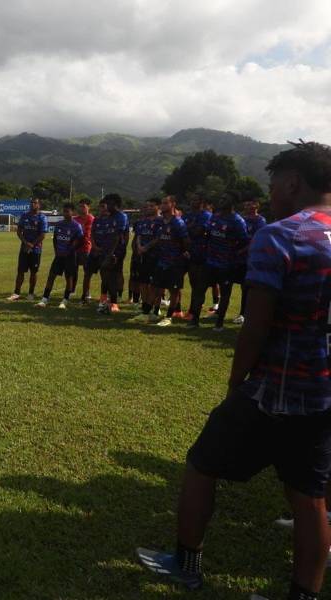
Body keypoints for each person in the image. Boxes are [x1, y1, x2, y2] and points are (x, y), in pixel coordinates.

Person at [138, 140, 331, 599]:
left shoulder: (282, 234)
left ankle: (186, 564)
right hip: (326, 393)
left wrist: (236, 382)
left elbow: (256, 325)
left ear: (292, 182)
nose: (270, 196)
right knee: (310, 497)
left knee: (202, 465)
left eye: (272, 186)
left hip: (279, 387)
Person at [186, 191, 249, 331]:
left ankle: (219, 323)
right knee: (199, 289)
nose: (221, 201)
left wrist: (234, 253)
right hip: (209, 262)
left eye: (224, 198)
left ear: (232, 202)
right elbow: (206, 233)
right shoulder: (215, 216)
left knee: (225, 293)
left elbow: (245, 242)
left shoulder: (237, 221)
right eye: (221, 198)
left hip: (226, 265)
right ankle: (194, 320)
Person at [147, 195, 189, 327]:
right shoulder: (160, 222)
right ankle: (148, 313)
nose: (162, 206)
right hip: (161, 261)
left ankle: (169, 316)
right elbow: (158, 239)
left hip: (175, 262)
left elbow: (186, 242)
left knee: (174, 290)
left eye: (166, 203)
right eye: (162, 204)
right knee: (155, 287)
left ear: (173, 205)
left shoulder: (178, 223)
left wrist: (183, 254)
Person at [35, 203, 83, 308]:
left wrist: (69, 251)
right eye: (64, 211)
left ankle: (65, 300)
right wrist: (57, 251)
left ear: (72, 212)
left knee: (69, 278)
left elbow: (79, 241)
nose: (65, 213)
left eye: (67, 211)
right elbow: (56, 238)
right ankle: (44, 299)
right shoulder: (59, 224)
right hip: (59, 256)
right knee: (51, 276)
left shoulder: (76, 226)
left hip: (70, 256)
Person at [233, 198, 268, 324]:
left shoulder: (260, 221)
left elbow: (256, 239)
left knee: (246, 287)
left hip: (250, 258)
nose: (248, 205)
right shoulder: (242, 219)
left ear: (257, 206)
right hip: (238, 259)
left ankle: (244, 313)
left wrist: (242, 250)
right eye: (247, 203)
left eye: (251, 203)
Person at [7, 197, 48, 301]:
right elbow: (19, 231)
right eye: (31, 203)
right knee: (20, 271)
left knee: (33, 272)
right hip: (24, 248)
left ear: (39, 205)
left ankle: (31, 294)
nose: (32, 204)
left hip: (36, 249)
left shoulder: (42, 218)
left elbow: (43, 235)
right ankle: (16, 293)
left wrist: (32, 245)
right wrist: (25, 243)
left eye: (35, 203)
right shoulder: (25, 216)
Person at [129, 198, 161, 322]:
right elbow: (139, 236)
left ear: (158, 207)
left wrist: (146, 247)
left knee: (155, 284)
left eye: (152, 206)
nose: (148, 208)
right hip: (142, 256)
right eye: (147, 206)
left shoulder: (161, 221)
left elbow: (158, 238)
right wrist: (139, 247)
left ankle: (156, 309)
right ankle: (145, 308)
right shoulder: (143, 221)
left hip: (156, 256)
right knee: (143, 283)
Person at [182, 194, 212, 321]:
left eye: (196, 200)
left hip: (201, 253)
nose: (193, 202)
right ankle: (191, 309)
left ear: (202, 202)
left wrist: (187, 230)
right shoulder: (187, 215)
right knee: (192, 282)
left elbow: (197, 232)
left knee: (199, 284)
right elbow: (180, 232)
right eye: (192, 199)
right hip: (187, 253)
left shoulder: (206, 215)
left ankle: (194, 311)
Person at [73, 199, 95, 304]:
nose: (82, 208)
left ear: (88, 207)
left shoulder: (91, 219)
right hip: (75, 248)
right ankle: (71, 290)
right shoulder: (75, 219)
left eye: (84, 206)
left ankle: (87, 293)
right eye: (80, 206)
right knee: (73, 270)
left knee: (87, 273)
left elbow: (85, 234)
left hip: (86, 248)